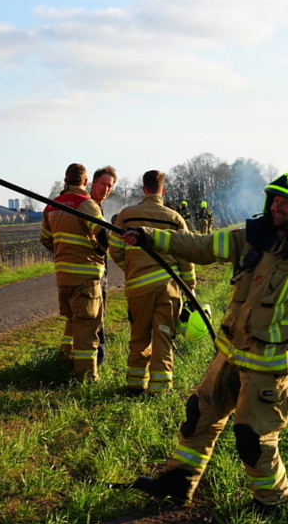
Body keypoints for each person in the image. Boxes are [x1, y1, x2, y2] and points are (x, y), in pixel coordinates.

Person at [121, 171, 288, 514]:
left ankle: (272, 504)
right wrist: (149, 236)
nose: (277, 207)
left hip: (266, 371)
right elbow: (200, 246)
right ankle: (179, 482)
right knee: (199, 415)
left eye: (286, 203)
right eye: (275, 200)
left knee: (253, 439)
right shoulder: (249, 240)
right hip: (227, 356)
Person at [109, 170, 195, 394]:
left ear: (143, 190)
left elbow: (115, 249)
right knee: (164, 335)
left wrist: (132, 268)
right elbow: (185, 255)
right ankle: (160, 388)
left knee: (139, 337)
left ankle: (136, 384)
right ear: (163, 191)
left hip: (138, 288)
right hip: (169, 289)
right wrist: (190, 286)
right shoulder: (175, 218)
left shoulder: (127, 215)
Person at [40, 163, 108, 381]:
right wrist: (99, 251)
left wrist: (63, 253)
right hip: (86, 276)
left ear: (65, 180)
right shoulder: (86, 204)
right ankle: (86, 377)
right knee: (87, 328)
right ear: (85, 182)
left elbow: (45, 239)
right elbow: (104, 234)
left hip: (63, 276)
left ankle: (63, 362)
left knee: (71, 322)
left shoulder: (51, 206)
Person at [89, 166, 117, 367]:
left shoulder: (98, 206)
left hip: (99, 267)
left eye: (110, 186)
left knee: (98, 314)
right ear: (93, 182)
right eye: (103, 184)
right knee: (95, 315)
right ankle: (97, 361)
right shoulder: (88, 206)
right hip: (91, 269)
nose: (106, 189)